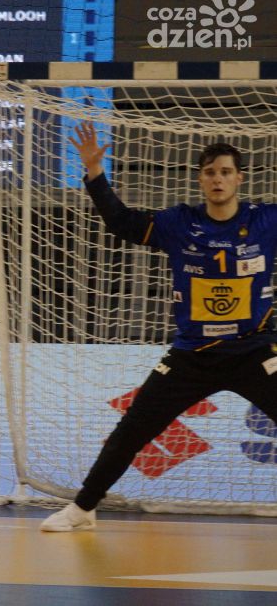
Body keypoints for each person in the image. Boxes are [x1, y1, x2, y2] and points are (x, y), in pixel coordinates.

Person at [40, 123, 277, 532]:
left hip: (253, 352)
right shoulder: (179, 222)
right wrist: (94, 172)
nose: (217, 179)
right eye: (209, 172)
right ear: (200, 179)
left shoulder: (266, 221)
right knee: (132, 430)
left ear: (239, 178)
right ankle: (82, 509)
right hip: (191, 357)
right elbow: (121, 222)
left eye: (225, 172)